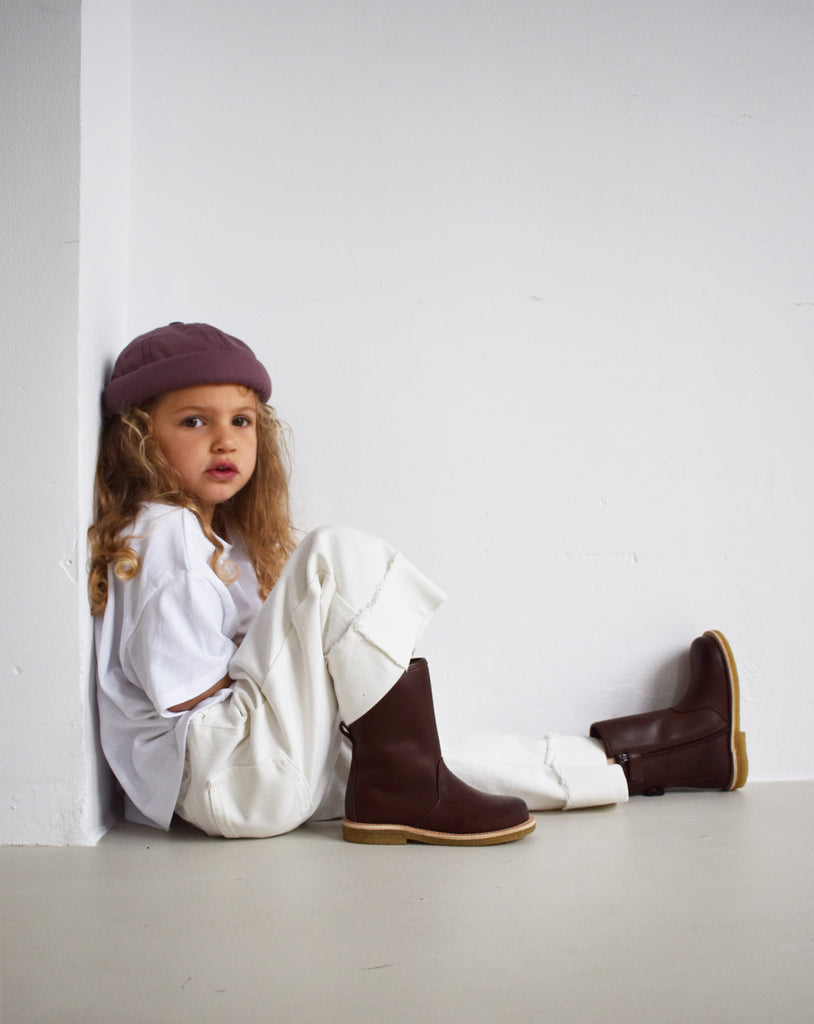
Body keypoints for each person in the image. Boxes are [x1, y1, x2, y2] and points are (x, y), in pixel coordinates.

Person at [89, 322, 749, 847]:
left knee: (442, 759)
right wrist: (322, 674)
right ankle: (406, 789)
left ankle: (676, 752)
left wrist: (324, 688)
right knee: (332, 556)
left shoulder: (219, 538)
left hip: (237, 780)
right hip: (219, 772)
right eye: (194, 421)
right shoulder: (164, 532)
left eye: (242, 420)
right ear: (140, 438)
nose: (225, 441)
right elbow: (189, 692)